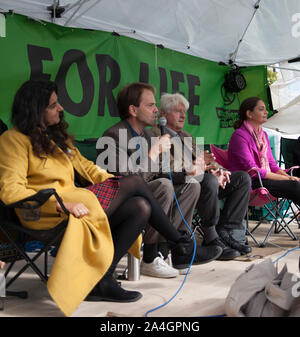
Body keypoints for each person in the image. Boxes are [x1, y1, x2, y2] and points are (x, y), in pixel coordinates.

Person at [0, 80, 216, 317]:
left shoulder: (58, 140)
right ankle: (178, 241)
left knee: (140, 206)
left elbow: (89, 169)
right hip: (45, 210)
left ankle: (103, 278)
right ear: (35, 109)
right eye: (53, 105)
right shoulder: (13, 140)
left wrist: (115, 181)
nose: (60, 109)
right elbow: (11, 190)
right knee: (134, 182)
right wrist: (62, 204)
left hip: (81, 203)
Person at [97, 82, 222, 277]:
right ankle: (150, 256)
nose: (156, 110)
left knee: (192, 186)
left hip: (151, 196)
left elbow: (161, 172)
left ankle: (177, 250)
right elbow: (128, 181)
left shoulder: (147, 135)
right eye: (150, 105)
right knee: (163, 186)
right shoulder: (113, 136)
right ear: (133, 109)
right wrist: (154, 152)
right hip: (122, 202)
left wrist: (186, 174)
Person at [151, 93, 253, 259]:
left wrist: (219, 171)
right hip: (180, 186)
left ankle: (227, 232)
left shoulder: (186, 136)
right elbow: (165, 169)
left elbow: (206, 159)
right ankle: (211, 237)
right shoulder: (156, 135)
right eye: (178, 111)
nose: (183, 115)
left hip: (204, 185)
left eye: (184, 112)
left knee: (242, 178)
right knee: (207, 180)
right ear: (163, 114)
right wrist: (195, 169)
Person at [228, 96, 300, 209]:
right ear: (249, 114)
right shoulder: (239, 136)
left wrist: (289, 177)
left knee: (296, 183)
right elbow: (253, 170)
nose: (266, 112)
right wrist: (288, 179)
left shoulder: (263, 135)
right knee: (295, 186)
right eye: (261, 109)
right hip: (250, 182)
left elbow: (272, 165)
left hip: (265, 180)